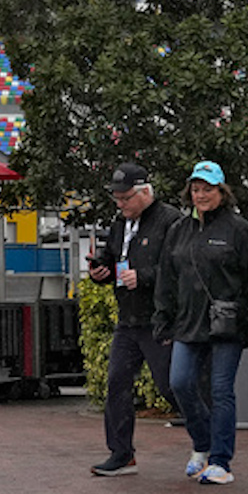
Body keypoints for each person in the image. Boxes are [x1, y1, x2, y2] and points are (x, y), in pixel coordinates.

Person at [152, 161, 248, 486]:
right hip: (187, 323)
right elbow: (166, 278)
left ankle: (220, 461)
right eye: (196, 189)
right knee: (180, 383)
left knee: (220, 391)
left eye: (207, 189)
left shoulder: (239, 229)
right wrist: (162, 318)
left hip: (227, 325)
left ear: (222, 191)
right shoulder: (179, 230)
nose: (201, 195)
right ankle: (201, 444)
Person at [85, 162, 183, 477]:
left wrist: (143, 277)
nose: (121, 204)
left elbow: (178, 269)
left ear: (145, 192)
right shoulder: (120, 223)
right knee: (116, 383)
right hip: (128, 320)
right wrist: (99, 269)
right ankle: (121, 453)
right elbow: (111, 256)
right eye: (117, 198)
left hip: (159, 319)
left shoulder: (171, 221)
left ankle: (209, 444)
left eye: (126, 198)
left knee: (172, 386)